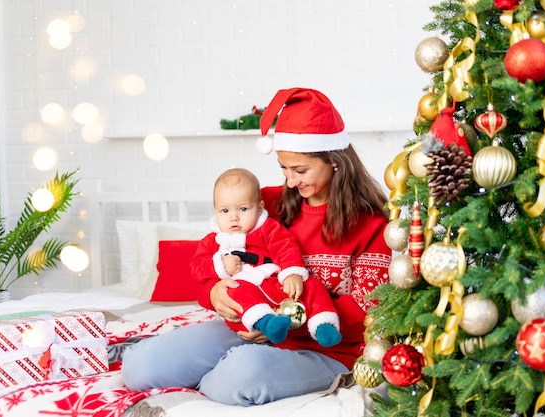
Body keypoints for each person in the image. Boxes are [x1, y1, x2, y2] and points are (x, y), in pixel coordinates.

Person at [121, 87, 392, 406]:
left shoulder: (372, 223)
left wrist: (284, 325)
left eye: (300, 170)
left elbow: (367, 310)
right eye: (283, 168)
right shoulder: (268, 204)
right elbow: (212, 259)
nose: (291, 181)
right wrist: (214, 293)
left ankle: (230, 370)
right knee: (139, 368)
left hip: (327, 349)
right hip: (247, 323)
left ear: (334, 161)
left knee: (235, 379)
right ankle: (225, 365)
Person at [195, 167, 342, 346]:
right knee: (236, 291)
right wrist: (219, 267)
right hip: (245, 296)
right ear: (215, 210)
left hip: (275, 285)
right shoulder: (213, 240)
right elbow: (197, 266)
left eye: (242, 209)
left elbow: (286, 247)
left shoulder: (268, 229)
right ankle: (267, 323)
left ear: (259, 208)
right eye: (224, 211)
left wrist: (292, 273)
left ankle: (323, 324)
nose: (234, 218)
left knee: (311, 285)